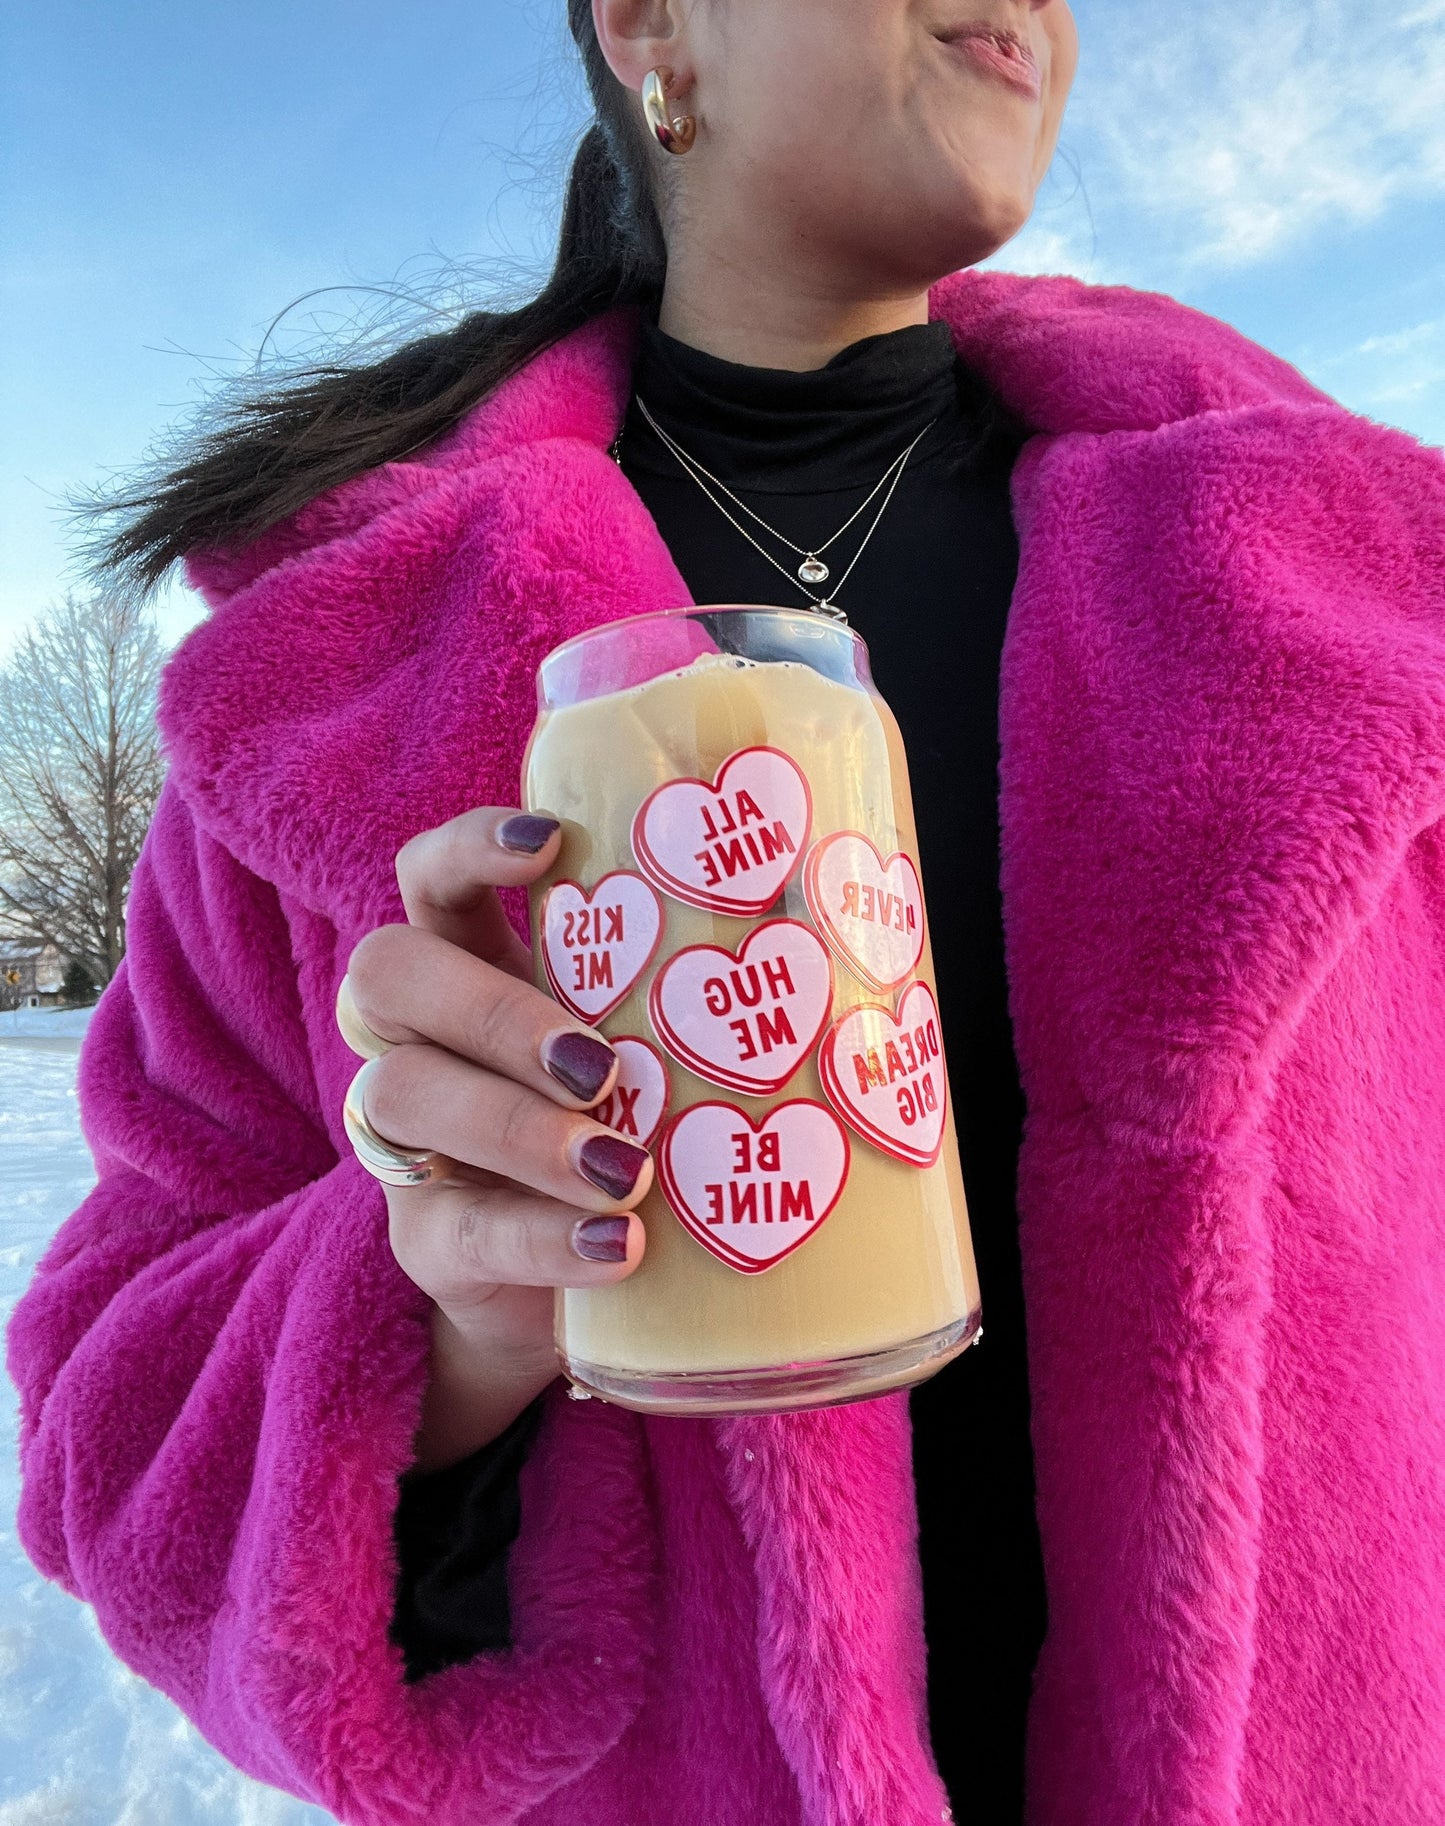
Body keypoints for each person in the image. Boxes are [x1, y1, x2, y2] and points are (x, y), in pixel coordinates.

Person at [8, 1, 1445, 1822]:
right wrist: (441, 1312)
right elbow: (111, 1430)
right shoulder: (342, 657)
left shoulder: (1342, 585)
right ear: (652, 23)